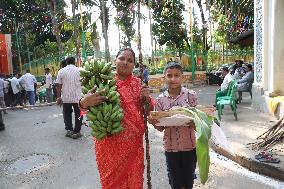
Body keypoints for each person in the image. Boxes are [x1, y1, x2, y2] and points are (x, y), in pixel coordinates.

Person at [79, 48, 154, 188]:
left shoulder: (138, 84)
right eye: (122, 59)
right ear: (115, 61)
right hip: (108, 145)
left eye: (130, 61)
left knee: (134, 182)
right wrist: (83, 102)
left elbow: (149, 110)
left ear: (134, 65)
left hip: (133, 146)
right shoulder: (103, 81)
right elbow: (84, 107)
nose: (125, 63)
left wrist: (146, 99)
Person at [148, 61, 198, 189]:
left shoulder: (191, 96)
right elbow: (160, 128)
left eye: (177, 75)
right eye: (169, 75)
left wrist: (193, 121)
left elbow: (197, 124)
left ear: (182, 77)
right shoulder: (160, 100)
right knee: (175, 183)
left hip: (190, 147)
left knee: (188, 182)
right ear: (164, 78)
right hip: (170, 149)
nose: (173, 79)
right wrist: (153, 122)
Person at [56, 57, 83, 139]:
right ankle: (77, 132)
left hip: (66, 97)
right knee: (79, 114)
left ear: (66, 62)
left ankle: (69, 130)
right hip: (78, 97)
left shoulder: (61, 71)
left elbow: (58, 85)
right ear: (74, 62)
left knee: (67, 113)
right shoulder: (80, 70)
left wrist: (58, 97)